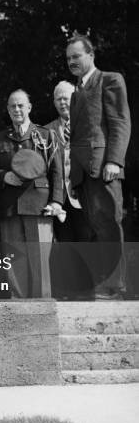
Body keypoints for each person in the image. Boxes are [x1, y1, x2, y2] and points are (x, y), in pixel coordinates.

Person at [66, 34, 131, 300]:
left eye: (76, 56)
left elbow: (120, 122)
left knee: (109, 224)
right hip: (83, 172)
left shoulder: (110, 80)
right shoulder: (76, 90)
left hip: (104, 167)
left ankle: (115, 285)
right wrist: (73, 175)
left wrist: (115, 160)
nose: (72, 62)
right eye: (68, 58)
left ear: (91, 55)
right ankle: (103, 284)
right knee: (95, 227)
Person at [0, 89, 63, 298]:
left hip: (39, 204)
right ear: (7, 109)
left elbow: (57, 171)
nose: (17, 109)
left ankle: (42, 307)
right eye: (12, 106)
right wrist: (4, 176)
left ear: (29, 108)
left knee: (40, 259)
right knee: (14, 259)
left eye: (21, 105)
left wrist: (57, 201)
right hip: (10, 206)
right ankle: (19, 308)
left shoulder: (46, 135)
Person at [45, 81, 93, 298]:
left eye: (67, 98)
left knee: (86, 241)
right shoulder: (46, 131)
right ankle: (70, 290)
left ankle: (89, 289)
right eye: (59, 99)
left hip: (84, 194)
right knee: (64, 244)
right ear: (54, 103)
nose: (63, 102)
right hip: (59, 197)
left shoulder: (90, 126)